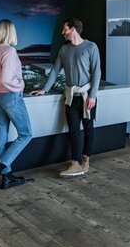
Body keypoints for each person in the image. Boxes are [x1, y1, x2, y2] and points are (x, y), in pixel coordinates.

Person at [31, 17, 101, 177]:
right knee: (74, 131)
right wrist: (44, 89)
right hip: (70, 96)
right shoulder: (64, 50)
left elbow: (97, 72)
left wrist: (93, 96)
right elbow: (55, 71)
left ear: (73, 29)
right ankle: (75, 162)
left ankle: (86, 159)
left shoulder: (91, 47)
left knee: (89, 130)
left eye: (65, 29)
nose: (63, 32)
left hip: (87, 96)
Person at [0, 19, 34, 190]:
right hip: (11, 96)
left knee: (2, 136)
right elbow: (7, 79)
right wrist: (20, 85)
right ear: (11, 32)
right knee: (26, 134)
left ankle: (5, 177)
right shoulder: (9, 51)